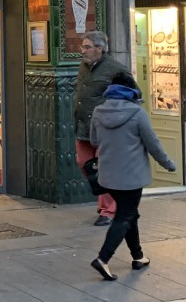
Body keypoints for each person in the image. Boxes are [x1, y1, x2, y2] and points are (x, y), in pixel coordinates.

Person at [89, 73, 176, 280]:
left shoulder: (98, 112)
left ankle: (138, 256)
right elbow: (153, 144)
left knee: (130, 214)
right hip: (131, 177)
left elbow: (94, 141)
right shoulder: (137, 113)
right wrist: (168, 164)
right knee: (125, 216)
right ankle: (103, 258)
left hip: (108, 175)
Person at [74, 31, 132, 226]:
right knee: (84, 163)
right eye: (82, 47)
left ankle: (108, 210)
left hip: (105, 129)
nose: (83, 51)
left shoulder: (116, 70)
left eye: (87, 47)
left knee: (104, 169)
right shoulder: (84, 67)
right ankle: (114, 198)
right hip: (84, 127)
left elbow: (132, 96)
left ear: (99, 49)